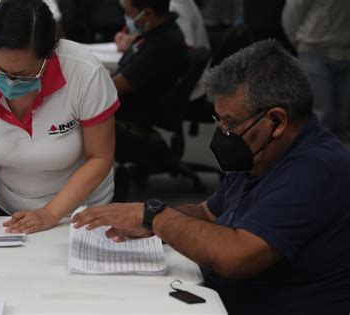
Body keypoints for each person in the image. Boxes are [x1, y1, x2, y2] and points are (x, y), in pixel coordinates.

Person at [71, 40, 350, 314]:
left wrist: (154, 216)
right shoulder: (262, 155)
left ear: (276, 121)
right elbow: (209, 213)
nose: (222, 133)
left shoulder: (316, 170)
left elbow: (236, 256)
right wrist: (152, 226)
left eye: (229, 123)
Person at [0, 0, 119, 234]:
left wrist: (50, 213)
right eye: (1, 71)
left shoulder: (85, 73)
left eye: (23, 75)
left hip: (82, 214)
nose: (10, 82)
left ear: (49, 55)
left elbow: (100, 157)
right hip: (7, 210)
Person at [112, 0, 189, 166]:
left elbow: (116, 87)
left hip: (129, 115)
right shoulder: (160, 33)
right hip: (138, 108)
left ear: (148, 14)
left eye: (129, 12)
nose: (126, 17)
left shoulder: (161, 45)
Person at [282, 0, 350, 140]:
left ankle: (338, 155)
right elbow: (292, 13)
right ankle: (318, 154)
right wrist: (300, 41)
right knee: (321, 114)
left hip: (345, 53)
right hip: (314, 50)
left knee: (341, 118)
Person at [115, 0, 209, 52]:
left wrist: (135, 45)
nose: (127, 15)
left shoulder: (175, 6)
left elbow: (187, 48)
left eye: (129, 12)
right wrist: (134, 41)